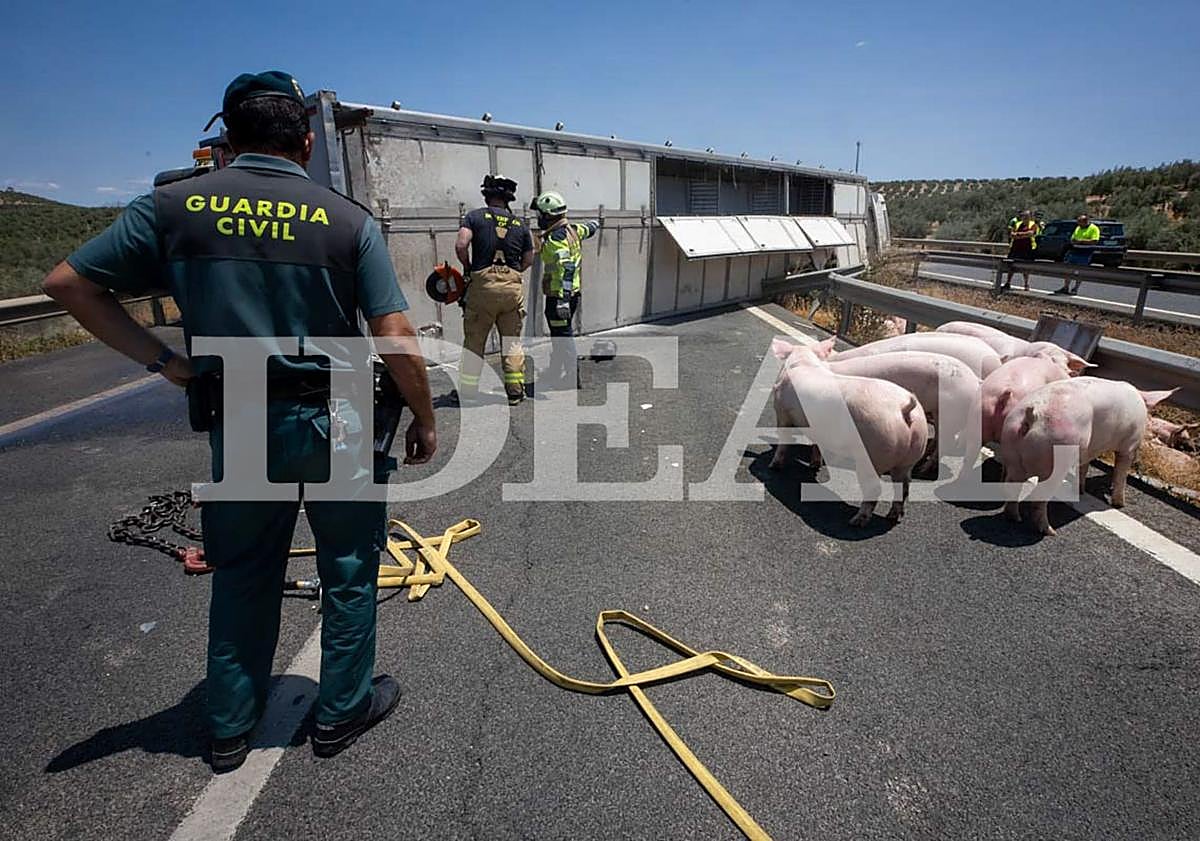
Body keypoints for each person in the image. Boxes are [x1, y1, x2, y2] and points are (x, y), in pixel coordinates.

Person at [42, 71, 437, 772]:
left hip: (245, 414)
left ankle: (229, 726)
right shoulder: (345, 219)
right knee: (349, 569)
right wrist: (424, 416)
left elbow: (67, 284)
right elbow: (395, 333)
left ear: (226, 139)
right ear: (306, 141)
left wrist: (166, 362)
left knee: (245, 571)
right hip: (339, 415)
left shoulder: (172, 207)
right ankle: (341, 712)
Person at [453, 174, 535, 406]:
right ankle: (515, 392)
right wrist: (513, 273)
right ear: (508, 199)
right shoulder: (520, 224)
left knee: (474, 342)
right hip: (511, 289)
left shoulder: (474, 217)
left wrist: (469, 267)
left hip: (482, 288)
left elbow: (461, 244)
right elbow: (529, 258)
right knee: (511, 342)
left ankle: (468, 392)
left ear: (486, 196)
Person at [531, 191, 599, 389]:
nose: (538, 218)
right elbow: (590, 228)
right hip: (571, 295)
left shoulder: (555, 239)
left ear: (548, 216)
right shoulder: (574, 230)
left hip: (560, 297)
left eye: (540, 214)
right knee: (559, 335)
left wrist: (563, 300)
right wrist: (595, 223)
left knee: (563, 337)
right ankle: (555, 371)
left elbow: (567, 268)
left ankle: (571, 378)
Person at [1057, 214, 1101, 294]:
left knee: (1080, 272)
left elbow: (1094, 241)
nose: (1078, 224)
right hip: (1074, 251)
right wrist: (1074, 241)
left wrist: (1081, 241)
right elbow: (1073, 238)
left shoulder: (1094, 228)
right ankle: (1066, 287)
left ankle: (1075, 289)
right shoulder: (1078, 228)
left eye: (1080, 222)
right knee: (1068, 270)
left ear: (1085, 221)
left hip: (1085, 254)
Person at [1002, 210, 1038, 291]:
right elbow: (1012, 234)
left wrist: (1018, 235)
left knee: (1025, 268)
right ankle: (1008, 283)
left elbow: (1030, 233)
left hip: (1027, 249)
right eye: (1023, 216)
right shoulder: (1018, 224)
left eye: (1026, 216)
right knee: (1011, 266)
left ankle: (1026, 284)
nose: (1024, 218)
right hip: (1015, 249)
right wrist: (1022, 235)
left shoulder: (1033, 224)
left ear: (1030, 217)